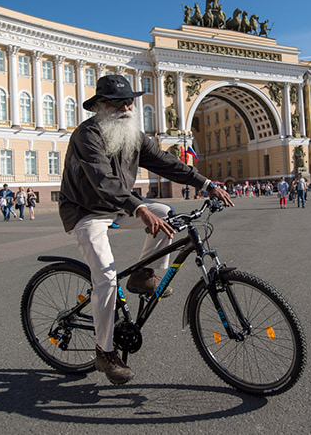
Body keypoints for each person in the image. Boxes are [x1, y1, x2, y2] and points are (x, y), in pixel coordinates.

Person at [58, 75, 234, 385]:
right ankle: (104, 351)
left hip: (117, 206)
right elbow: (103, 181)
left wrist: (205, 183)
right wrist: (138, 207)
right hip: (85, 211)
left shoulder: (133, 136)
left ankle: (143, 275)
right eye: (117, 102)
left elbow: (166, 163)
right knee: (107, 279)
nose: (126, 107)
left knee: (165, 213)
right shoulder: (86, 135)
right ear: (101, 106)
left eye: (130, 101)